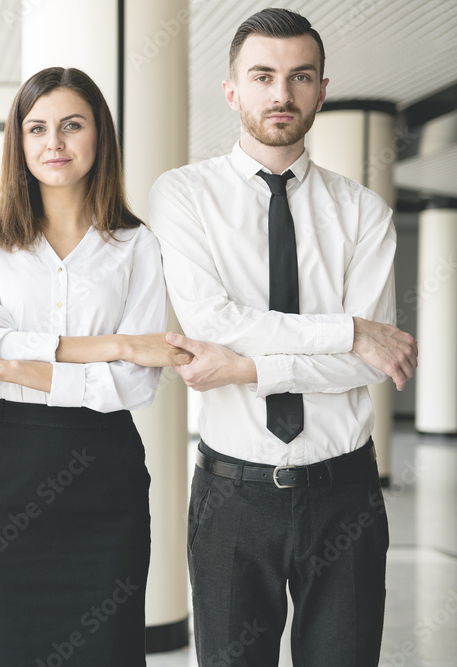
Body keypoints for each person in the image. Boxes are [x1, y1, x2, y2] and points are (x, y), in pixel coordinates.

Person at [148, 9, 417, 666]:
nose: (281, 94)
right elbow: (213, 321)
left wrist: (245, 369)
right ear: (232, 89)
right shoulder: (184, 195)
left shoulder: (364, 213)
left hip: (344, 492)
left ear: (322, 89)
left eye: (300, 77)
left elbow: (365, 369)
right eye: (263, 76)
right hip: (232, 495)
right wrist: (349, 329)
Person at [0, 67, 190, 666]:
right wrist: (114, 345)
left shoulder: (138, 245)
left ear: (99, 137)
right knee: (3, 646)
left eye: (71, 126)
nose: (53, 143)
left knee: (105, 649)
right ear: (19, 142)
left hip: (104, 474)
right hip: (8, 473)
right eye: (36, 129)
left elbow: (136, 383)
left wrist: (18, 365)